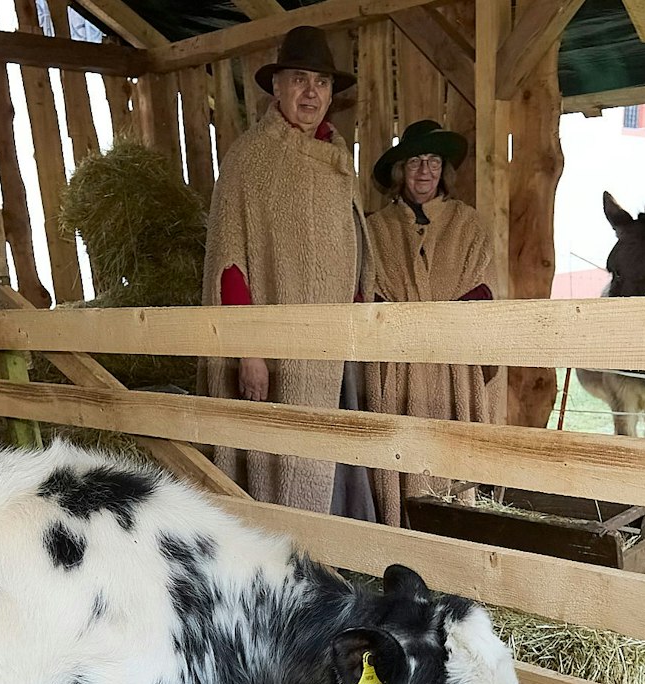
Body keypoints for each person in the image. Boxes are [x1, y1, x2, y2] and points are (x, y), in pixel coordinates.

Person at [199, 25, 371, 516]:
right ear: (277, 87)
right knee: (282, 457)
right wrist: (249, 350)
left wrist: (358, 315)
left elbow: (356, 246)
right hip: (277, 353)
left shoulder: (338, 160)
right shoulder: (251, 160)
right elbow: (231, 263)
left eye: (321, 82)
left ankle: (337, 554)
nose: (311, 92)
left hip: (334, 347)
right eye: (299, 79)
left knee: (333, 452)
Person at [361, 119, 502, 525]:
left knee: (450, 457)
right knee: (400, 456)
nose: (424, 171)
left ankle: (455, 539)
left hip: (452, 365)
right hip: (398, 368)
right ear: (400, 171)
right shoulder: (377, 229)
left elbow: (484, 291)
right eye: (415, 161)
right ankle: (399, 534)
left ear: (444, 170)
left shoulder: (468, 225)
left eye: (434, 161)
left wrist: (443, 325)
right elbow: (369, 294)